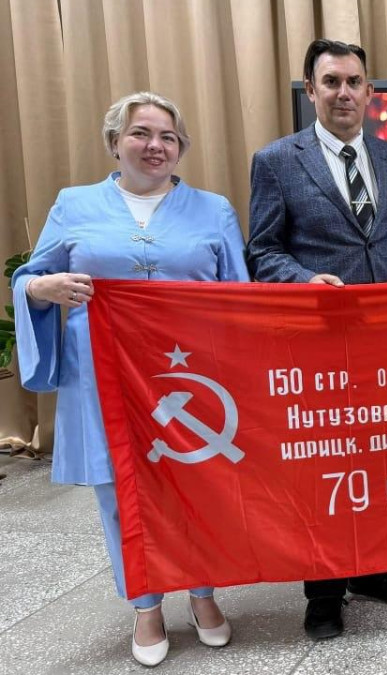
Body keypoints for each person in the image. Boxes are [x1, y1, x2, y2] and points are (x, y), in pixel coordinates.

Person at [12, 91, 245, 667]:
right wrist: (40, 288)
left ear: (181, 147)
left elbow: (240, 297)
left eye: (168, 136)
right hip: (103, 375)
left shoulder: (213, 210)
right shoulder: (73, 204)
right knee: (120, 491)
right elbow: (32, 277)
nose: (154, 145)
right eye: (141, 133)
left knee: (197, 485)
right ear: (115, 142)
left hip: (190, 377)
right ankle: (145, 603)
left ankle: (203, 591)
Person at [246, 38, 387, 641]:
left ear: (370, 91)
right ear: (311, 90)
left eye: (353, 82)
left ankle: (372, 568)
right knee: (323, 466)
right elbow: (262, 251)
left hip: (385, 343)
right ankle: (322, 590)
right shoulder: (276, 161)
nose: (343, 92)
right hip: (317, 345)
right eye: (331, 82)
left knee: (380, 457)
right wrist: (303, 280)